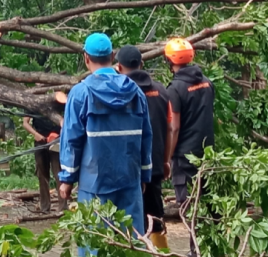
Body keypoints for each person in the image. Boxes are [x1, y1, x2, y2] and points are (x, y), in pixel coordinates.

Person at [59, 33, 153, 242]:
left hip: (94, 186)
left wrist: (67, 179)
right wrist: (144, 176)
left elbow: (71, 141)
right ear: (112, 56)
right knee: (131, 244)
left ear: (86, 58)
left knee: (96, 243)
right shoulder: (136, 92)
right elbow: (146, 137)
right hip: (130, 182)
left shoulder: (80, 93)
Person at [162, 38, 215, 256]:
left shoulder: (175, 88)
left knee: (188, 206)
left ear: (169, 60)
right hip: (209, 154)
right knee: (210, 205)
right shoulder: (207, 83)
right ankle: (210, 248)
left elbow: (173, 127)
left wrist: (168, 157)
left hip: (185, 156)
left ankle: (196, 251)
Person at [115, 45, 169, 249]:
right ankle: (161, 252)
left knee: (124, 216)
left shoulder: (117, 92)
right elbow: (172, 127)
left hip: (124, 166)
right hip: (154, 163)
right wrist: (166, 159)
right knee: (155, 215)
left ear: (118, 66)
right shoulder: (161, 91)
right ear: (142, 63)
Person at [22, 95, 67, 213]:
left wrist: (60, 135)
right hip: (40, 141)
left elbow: (67, 120)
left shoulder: (59, 102)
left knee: (59, 173)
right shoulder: (33, 101)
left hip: (56, 141)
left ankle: (63, 207)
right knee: (42, 174)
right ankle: (45, 207)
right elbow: (25, 123)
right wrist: (35, 134)